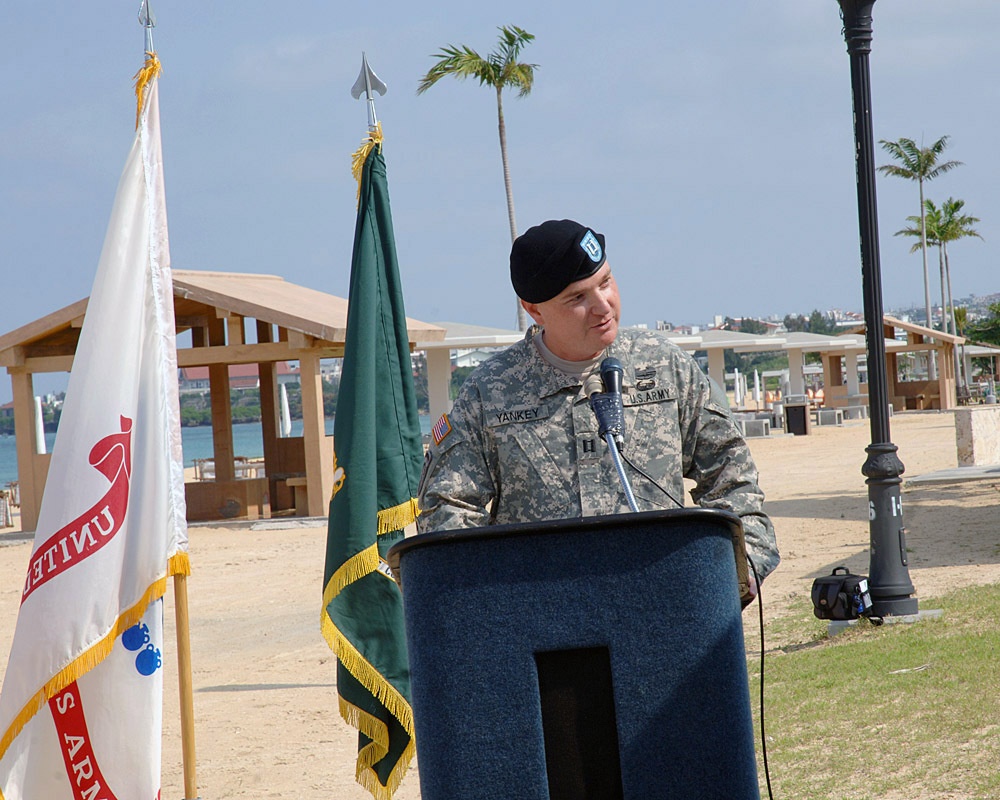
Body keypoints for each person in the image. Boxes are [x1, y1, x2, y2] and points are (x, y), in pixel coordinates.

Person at [416, 218, 779, 593]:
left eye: (605, 282)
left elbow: (732, 478)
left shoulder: (665, 368)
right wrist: (497, 601)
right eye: (577, 298)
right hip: (544, 616)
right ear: (534, 309)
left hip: (665, 602)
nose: (602, 305)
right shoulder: (489, 393)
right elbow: (447, 510)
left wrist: (735, 570)